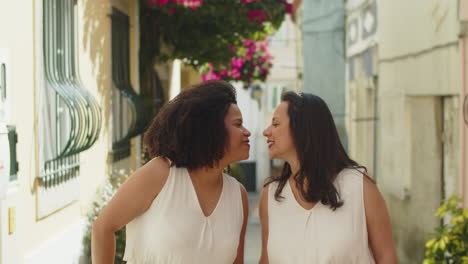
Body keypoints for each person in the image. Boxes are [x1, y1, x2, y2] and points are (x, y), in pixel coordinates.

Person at [92, 80, 250, 264]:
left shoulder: (238, 195)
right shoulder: (160, 173)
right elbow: (103, 228)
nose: (247, 132)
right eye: (238, 124)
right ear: (210, 129)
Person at [259, 92, 398, 264]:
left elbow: (387, 258)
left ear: (302, 129)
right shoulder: (271, 195)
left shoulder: (360, 187)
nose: (266, 132)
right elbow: (266, 260)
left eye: (276, 124)